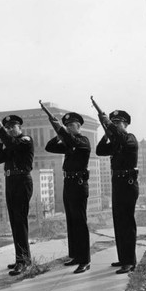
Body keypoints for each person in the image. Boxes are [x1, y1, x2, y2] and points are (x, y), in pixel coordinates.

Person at [45, 112, 91, 274]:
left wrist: (62, 131)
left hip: (79, 184)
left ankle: (85, 260)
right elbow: (49, 147)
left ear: (79, 127)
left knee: (80, 221)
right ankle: (76, 256)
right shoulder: (69, 142)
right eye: (67, 125)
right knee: (71, 221)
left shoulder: (83, 141)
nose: (69, 127)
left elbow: (73, 141)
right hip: (69, 183)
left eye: (72, 125)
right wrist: (59, 134)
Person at [96, 110, 139, 274]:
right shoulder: (116, 141)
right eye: (112, 122)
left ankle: (129, 261)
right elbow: (100, 151)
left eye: (117, 123)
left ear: (125, 124)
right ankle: (123, 258)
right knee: (119, 222)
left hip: (128, 184)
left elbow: (121, 138)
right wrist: (106, 135)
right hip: (117, 183)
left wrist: (108, 125)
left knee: (127, 223)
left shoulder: (130, 138)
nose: (114, 125)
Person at [0, 114, 34, 276]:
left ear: (19, 128)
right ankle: (20, 258)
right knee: (14, 222)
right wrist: (0, 141)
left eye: (12, 127)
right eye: (7, 128)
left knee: (20, 221)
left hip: (22, 181)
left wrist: (2, 133)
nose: (9, 130)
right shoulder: (9, 143)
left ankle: (24, 260)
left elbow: (14, 145)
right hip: (10, 181)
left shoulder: (26, 140)